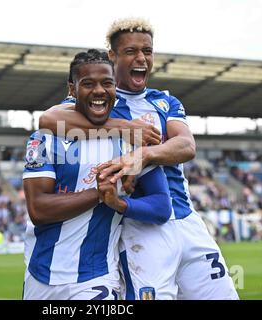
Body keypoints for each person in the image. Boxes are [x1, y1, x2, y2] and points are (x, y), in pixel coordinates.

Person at [39, 17, 238, 300]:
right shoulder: (99, 101)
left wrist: (143, 155)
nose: (141, 58)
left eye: (147, 51)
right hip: (140, 229)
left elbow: (185, 145)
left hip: (186, 221)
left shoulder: (164, 100)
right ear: (112, 56)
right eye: (131, 51)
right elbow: (49, 119)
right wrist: (127, 128)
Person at [22, 49, 172, 300]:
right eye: (88, 84)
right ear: (72, 89)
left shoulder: (133, 143)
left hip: (96, 277)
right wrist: (100, 195)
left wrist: (121, 203)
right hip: (40, 274)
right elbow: (38, 210)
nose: (100, 91)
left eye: (107, 83)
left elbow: (161, 206)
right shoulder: (47, 138)